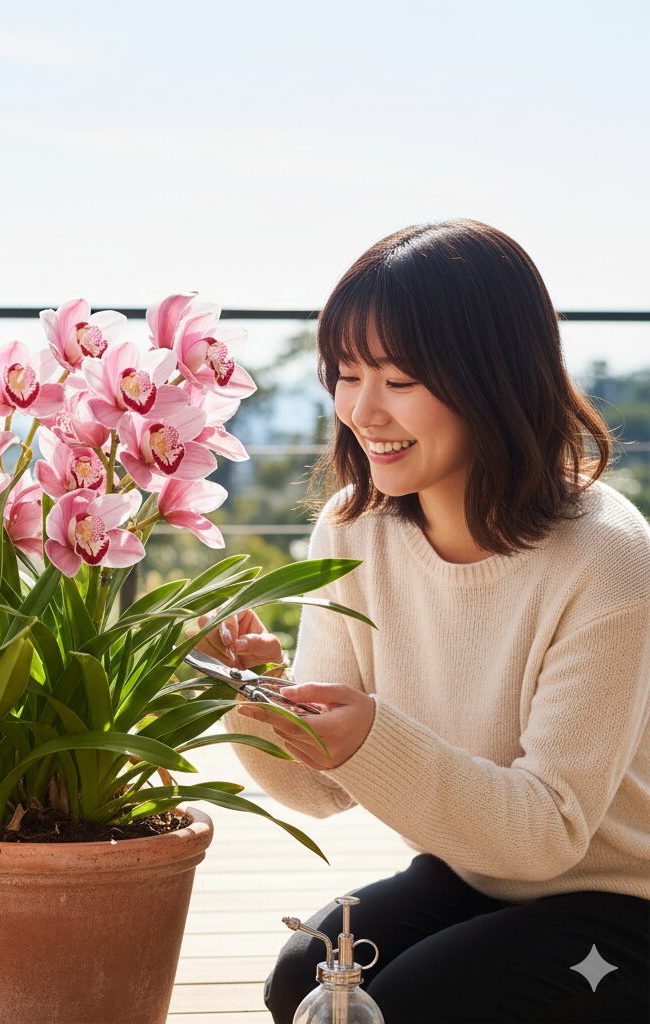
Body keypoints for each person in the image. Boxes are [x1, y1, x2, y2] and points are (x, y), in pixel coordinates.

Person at [199, 219, 650, 1024]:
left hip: (621, 899)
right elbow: (317, 790)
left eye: (400, 379)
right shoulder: (353, 528)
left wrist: (372, 735)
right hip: (474, 871)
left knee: (410, 1006)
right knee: (306, 982)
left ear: (493, 377)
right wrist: (259, 696)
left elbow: (548, 833)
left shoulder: (607, 554)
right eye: (345, 375)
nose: (361, 410)